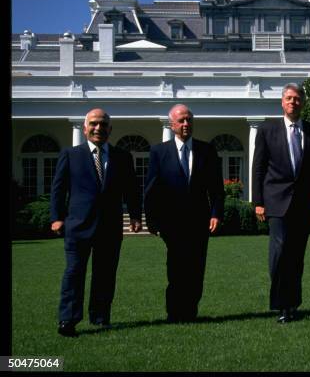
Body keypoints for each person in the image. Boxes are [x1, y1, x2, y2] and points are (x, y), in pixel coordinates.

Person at [50, 108, 142, 337]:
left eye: (103, 124)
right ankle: (67, 320)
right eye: (93, 123)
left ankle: (100, 318)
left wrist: (135, 216)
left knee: (105, 274)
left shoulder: (122, 156)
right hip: (77, 226)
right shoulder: (70, 155)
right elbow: (58, 189)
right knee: (74, 273)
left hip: (109, 227)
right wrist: (56, 217)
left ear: (110, 129)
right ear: (84, 128)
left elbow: (131, 190)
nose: (98, 128)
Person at [252, 83, 310, 323]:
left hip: (303, 204)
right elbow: (258, 168)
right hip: (275, 202)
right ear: (282, 102)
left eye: (297, 99)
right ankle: (281, 303)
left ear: (303, 102)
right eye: (288, 98)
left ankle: (292, 304)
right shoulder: (267, 130)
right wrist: (258, 201)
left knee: (296, 256)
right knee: (279, 251)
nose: (293, 102)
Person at [144, 104, 224, 323]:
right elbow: (151, 189)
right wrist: (152, 221)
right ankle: (174, 312)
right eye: (181, 120)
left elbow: (216, 188)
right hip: (171, 222)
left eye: (189, 119)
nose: (186, 124)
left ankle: (190, 312)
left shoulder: (206, 151)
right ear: (172, 125)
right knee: (176, 267)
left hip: (200, 221)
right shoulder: (159, 152)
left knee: (196, 268)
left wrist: (216, 214)